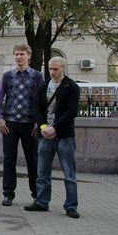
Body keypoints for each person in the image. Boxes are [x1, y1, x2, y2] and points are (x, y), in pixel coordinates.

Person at [25, 56, 80, 218]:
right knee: (42, 171)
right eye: (50, 69)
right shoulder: (43, 86)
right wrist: (43, 127)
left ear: (64, 68)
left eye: (56, 69)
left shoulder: (71, 87)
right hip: (45, 135)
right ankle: (42, 201)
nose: (52, 72)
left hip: (64, 135)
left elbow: (71, 111)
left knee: (69, 173)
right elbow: (37, 109)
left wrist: (54, 128)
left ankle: (71, 205)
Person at [0, 44, 44, 205]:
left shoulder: (37, 76)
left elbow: (42, 101)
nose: (18, 57)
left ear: (29, 56)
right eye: (16, 54)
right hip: (10, 124)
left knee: (33, 160)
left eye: (21, 54)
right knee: (9, 160)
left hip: (30, 125)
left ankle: (36, 194)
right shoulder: (8, 76)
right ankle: (8, 194)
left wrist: (39, 121)